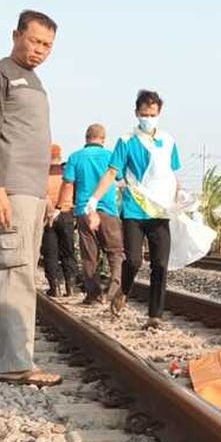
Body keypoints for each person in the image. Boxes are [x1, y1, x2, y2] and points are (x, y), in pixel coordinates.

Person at [0, 10, 62, 386]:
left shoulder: (35, 81)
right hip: (9, 187)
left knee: (9, 270)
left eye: (48, 45)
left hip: (32, 190)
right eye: (35, 41)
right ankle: (17, 364)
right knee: (18, 272)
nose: (40, 50)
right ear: (16, 34)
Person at [88, 89, 183, 328]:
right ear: (136, 113)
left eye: (152, 113)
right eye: (143, 113)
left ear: (159, 112)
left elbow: (171, 174)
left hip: (160, 211)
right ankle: (123, 291)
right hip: (134, 209)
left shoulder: (168, 140)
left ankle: (155, 316)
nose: (147, 117)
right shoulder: (127, 140)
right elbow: (112, 172)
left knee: (160, 264)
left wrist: (178, 195)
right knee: (133, 260)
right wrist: (93, 199)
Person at [59, 124, 124, 306]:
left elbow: (68, 184)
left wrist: (61, 207)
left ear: (86, 138)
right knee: (116, 252)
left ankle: (94, 296)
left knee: (90, 255)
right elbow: (120, 180)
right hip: (108, 210)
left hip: (84, 211)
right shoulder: (111, 156)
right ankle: (114, 289)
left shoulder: (75, 157)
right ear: (103, 139)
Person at [41, 143, 79, 297]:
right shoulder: (66, 171)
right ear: (59, 155)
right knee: (68, 252)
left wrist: (50, 210)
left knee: (50, 253)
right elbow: (73, 191)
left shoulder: (41, 173)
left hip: (47, 217)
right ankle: (70, 287)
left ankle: (54, 287)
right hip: (66, 213)